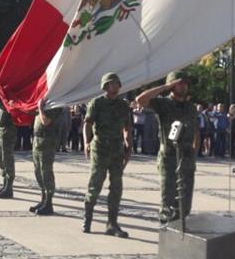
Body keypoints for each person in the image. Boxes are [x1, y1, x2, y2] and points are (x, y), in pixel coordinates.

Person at [135, 71, 198, 225]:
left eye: (185, 83)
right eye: (179, 83)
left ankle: (181, 239)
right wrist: (165, 86)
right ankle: (167, 238)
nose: (183, 86)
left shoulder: (190, 107)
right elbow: (140, 100)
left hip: (187, 158)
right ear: (172, 86)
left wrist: (195, 151)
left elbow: (196, 130)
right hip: (169, 158)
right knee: (168, 204)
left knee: (185, 205)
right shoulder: (164, 103)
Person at [82, 72, 132, 237]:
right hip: (100, 148)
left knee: (116, 187)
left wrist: (128, 144)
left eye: (117, 83)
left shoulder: (124, 105)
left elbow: (127, 127)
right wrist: (86, 142)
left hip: (117, 150)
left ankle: (112, 223)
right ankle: (87, 218)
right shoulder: (96, 103)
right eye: (112, 83)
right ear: (105, 86)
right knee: (95, 184)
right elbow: (87, 124)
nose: (116, 86)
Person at [30, 98, 63, 215]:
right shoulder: (45, 104)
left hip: (47, 142)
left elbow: (46, 121)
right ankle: (43, 200)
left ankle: (48, 203)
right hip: (37, 141)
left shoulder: (55, 105)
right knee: (38, 172)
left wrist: (40, 108)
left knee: (46, 173)